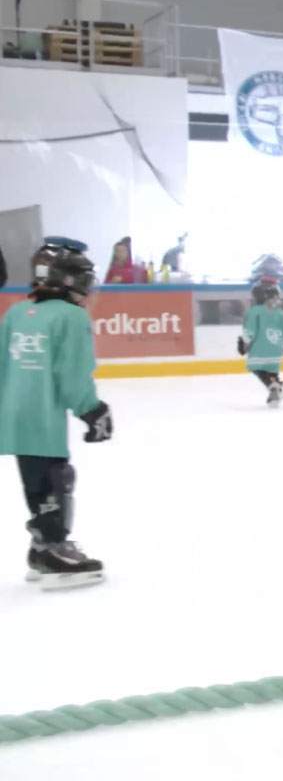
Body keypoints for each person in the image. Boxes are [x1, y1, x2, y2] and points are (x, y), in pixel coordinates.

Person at [0, 238, 113, 588]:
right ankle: (53, 549)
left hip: (14, 415)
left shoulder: (17, 312)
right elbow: (72, 374)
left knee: (36, 481)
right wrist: (92, 410)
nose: (86, 286)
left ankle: (39, 549)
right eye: (81, 278)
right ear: (65, 279)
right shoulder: (71, 316)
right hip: (43, 415)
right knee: (56, 480)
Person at [239, 276, 283, 408]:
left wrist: (243, 343)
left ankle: (273, 386)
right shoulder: (280, 313)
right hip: (276, 351)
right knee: (271, 370)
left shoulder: (253, 312)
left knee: (255, 366)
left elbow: (249, 332)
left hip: (259, 349)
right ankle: (275, 384)